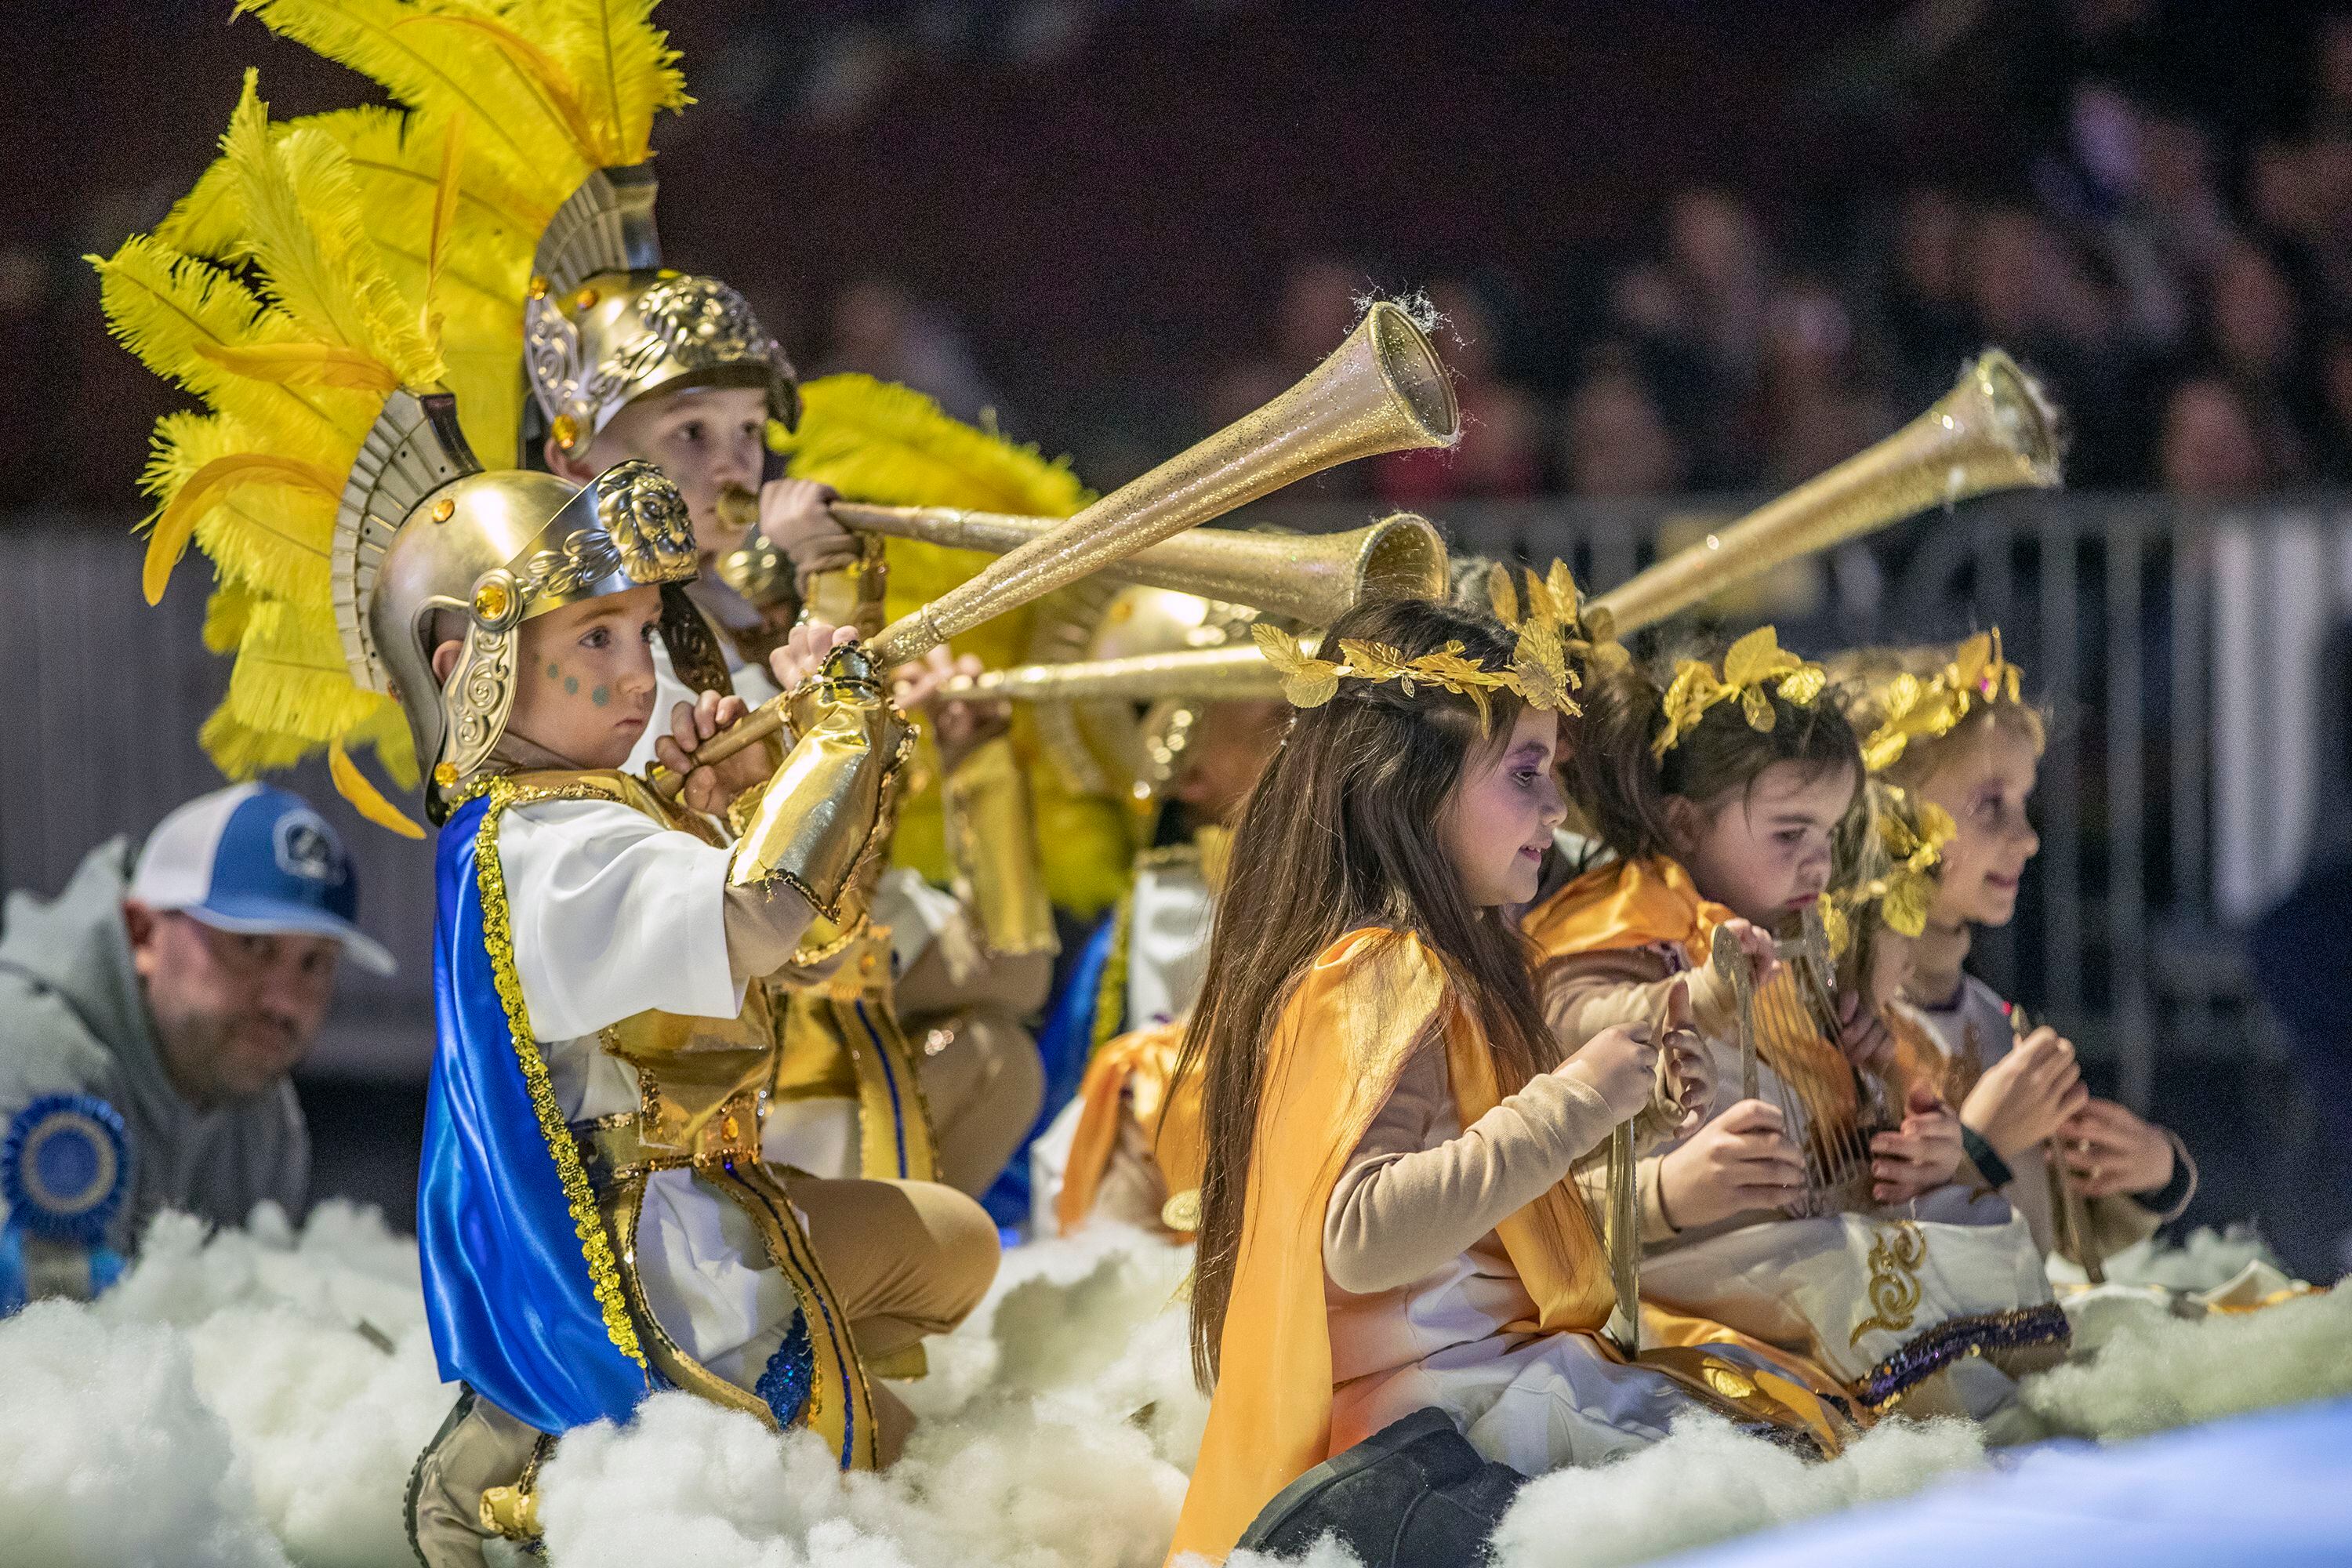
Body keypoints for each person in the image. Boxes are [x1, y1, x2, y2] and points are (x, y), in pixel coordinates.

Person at [96, 90, 996, 1568]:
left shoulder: (559, 811)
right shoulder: (547, 841)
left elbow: (776, 932)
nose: (637, 669)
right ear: (472, 667)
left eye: (644, 632)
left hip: (699, 1178)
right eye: (597, 639)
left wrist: (720, 787)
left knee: (923, 1313)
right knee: (930, 1289)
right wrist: (842, 718)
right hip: (654, 1271)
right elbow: (774, 918)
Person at [1168, 597, 1843, 1563]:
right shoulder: (1377, 968)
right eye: (1524, 772)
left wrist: (1624, 1103)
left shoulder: (1430, 961)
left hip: (1483, 1382)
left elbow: (1480, 1220)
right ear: (1411, 787)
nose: (1556, 809)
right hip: (1435, 1417)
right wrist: (1574, 1103)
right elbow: (1359, 1239)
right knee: (1797, 1476)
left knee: (1793, 1418)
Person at [1520, 628, 2065, 1425]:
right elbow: (1582, 1016)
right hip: (1677, 1255)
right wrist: (1691, 1000)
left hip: (1779, 1230)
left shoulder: (1790, 931)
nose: (1817, 862)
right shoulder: (1622, 923)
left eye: (1827, 834)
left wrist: (1870, 1074)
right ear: (1682, 824)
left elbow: (1820, 1123)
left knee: (1969, 1224)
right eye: (1788, 833)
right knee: (1847, 1272)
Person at [1837, 634, 2198, 1265]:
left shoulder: (1984, 1015)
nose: (2027, 838)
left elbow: (2045, 1234)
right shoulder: (1848, 1021)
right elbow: (1850, 1258)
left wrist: (2146, 1171)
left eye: (2024, 802)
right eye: (1989, 805)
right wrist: (1981, 1146)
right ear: (1886, 813)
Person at [0, 783, 391, 1306]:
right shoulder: (27, 1049)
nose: (284, 1001)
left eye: (315, 962)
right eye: (252, 945)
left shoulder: (266, 1114)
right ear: (143, 933)